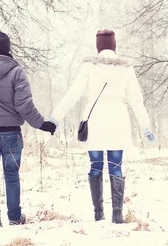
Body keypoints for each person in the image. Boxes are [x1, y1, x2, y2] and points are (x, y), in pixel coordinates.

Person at [49, 29, 156, 224]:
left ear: (98, 46)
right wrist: (146, 127)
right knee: (116, 165)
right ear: (114, 46)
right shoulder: (126, 68)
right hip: (118, 119)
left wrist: (55, 118)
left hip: (95, 119)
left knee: (95, 165)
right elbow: (136, 100)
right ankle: (117, 215)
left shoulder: (89, 67)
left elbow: (72, 95)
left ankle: (98, 213)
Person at [0, 31, 56, 230]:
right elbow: (24, 105)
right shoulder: (17, 73)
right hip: (11, 134)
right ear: (8, 48)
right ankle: (14, 218)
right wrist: (42, 124)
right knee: (11, 175)